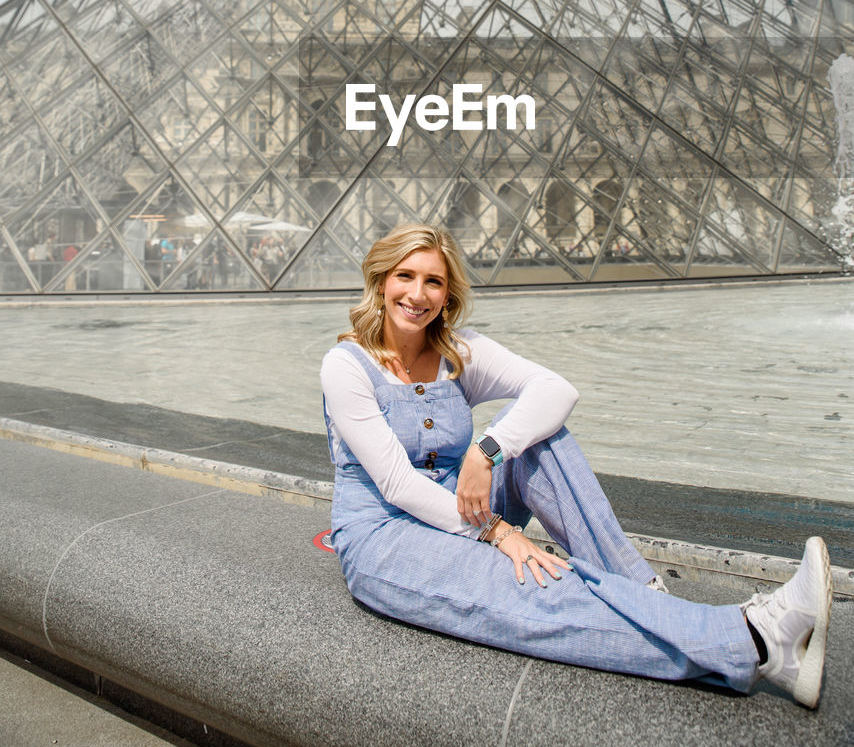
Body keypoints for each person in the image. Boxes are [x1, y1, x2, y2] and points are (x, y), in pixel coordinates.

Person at [320, 223, 833, 708]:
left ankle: (641, 594)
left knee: (543, 439)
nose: (418, 293)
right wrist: (499, 532)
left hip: (465, 504)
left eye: (433, 281)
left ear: (448, 295)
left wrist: (487, 450)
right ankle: (756, 641)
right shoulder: (346, 365)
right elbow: (396, 484)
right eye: (405, 276)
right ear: (382, 281)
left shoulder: (459, 352)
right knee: (536, 588)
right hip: (386, 534)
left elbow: (556, 390)